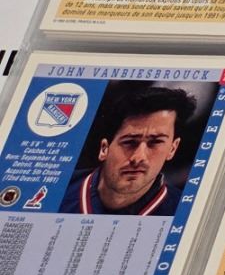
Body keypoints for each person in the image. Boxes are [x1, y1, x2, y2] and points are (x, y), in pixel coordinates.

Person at [60, 86, 196, 217]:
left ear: (172, 148)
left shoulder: (187, 211)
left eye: (155, 142)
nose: (139, 157)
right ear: (104, 148)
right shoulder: (59, 188)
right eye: (130, 142)